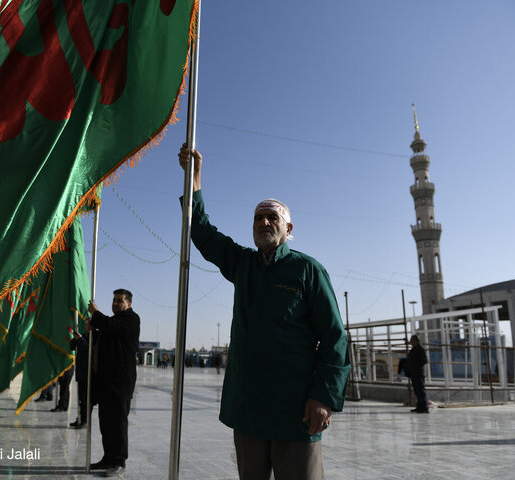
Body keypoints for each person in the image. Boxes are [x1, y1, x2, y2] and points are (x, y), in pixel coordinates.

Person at [178, 145, 350, 480]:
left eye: (273, 217)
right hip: (250, 407)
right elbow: (203, 233)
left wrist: (323, 397)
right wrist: (193, 181)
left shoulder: (308, 271)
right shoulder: (244, 265)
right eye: (258, 218)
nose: (264, 222)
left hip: (296, 409)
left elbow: (334, 338)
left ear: (289, 229)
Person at [87, 289, 140, 477]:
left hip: (120, 383)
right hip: (106, 383)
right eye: (114, 300)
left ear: (129, 304)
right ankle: (108, 458)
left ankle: (119, 461)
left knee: (117, 424)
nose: (116, 303)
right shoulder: (113, 322)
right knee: (106, 423)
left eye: (120, 300)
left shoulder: (131, 319)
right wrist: (92, 329)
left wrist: (95, 314)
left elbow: (112, 326)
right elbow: (106, 332)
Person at [69, 329, 89, 428]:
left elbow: (89, 349)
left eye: (87, 324)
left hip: (88, 373)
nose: (86, 326)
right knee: (81, 399)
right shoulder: (84, 336)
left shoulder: (94, 336)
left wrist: (80, 339)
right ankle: (80, 418)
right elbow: (72, 347)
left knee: (86, 399)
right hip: (81, 371)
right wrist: (75, 339)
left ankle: (84, 420)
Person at [406, 335, 429, 413]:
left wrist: (416, 366)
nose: (410, 342)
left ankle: (424, 407)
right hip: (413, 373)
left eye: (412, 340)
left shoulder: (420, 349)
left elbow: (424, 360)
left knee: (421, 391)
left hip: (418, 373)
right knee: (417, 391)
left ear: (416, 341)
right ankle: (419, 406)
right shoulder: (413, 350)